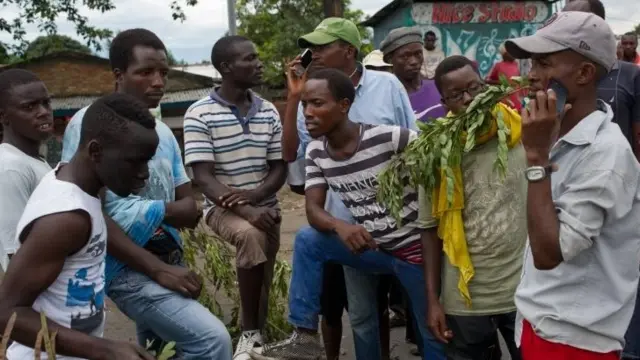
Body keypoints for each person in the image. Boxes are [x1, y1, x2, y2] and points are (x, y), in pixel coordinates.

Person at [61, 28, 232, 359]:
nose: (158, 82)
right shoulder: (89, 124)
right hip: (126, 267)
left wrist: (158, 214)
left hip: (169, 257)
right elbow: (88, 210)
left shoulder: (164, 133)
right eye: (146, 72)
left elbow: (189, 204)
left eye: (164, 73)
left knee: (159, 350)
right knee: (212, 341)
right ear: (119, 75)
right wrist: (158, 263)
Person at [254, 68, 443, 360]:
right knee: (307, 239)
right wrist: (341, 226)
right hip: (374, 249)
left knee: (431, 335)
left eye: (317, 103)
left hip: (416, 256)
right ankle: (304, 334)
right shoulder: (317, 151)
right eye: (305, 104)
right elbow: (314, 209)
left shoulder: (389, 138)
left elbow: (438, 161)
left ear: (344, 105)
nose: (308, 112)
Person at [279, 17, 419, 360]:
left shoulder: (387, 87)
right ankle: (305, 336)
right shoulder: (311, 96)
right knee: (362, 316)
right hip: (350, 228)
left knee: (422, 316)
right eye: (312, 48)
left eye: (323, 46)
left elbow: (419, 151)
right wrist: (295, 98)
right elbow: (291, 154)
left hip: (408, 231)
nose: (315, 54)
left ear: (349, 50)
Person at [505, 10, 640, 359]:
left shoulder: (606, 155)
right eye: (532, 64)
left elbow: (550, 254)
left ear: (584, 73)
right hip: (543, 325)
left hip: (573, 341)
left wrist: (536, 159)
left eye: (544, 64)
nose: (532, 77)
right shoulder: (558, 136)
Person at [0, 93, 158, 360]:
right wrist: (106, 350)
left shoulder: (79, 184)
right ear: (95, 151)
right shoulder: (65, 219)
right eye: (134, 161)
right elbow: (7, 313)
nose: (144, 172)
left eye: (147, 160)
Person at [184, 35, 287, 360]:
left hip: (266, 207)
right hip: (222, 210)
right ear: (226, 67)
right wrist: (247, 210)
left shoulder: (268, 110)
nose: (259, 64)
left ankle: (258, 338)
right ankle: (249, 335)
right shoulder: (199, 113)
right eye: (250, 58)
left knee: (264, 278)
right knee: (251, 236)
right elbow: (203, 177)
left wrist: (256, 198)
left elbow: (279, 168)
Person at [420, 55, 527, 360]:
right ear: (445, 102)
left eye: (474, 88)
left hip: (522, 290)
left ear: (487, 86)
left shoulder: (520, 132)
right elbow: (428, 229)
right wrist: (433, 300)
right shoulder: (436, 152)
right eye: (457, 95)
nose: (469, 99)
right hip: (465, 298)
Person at [0, 69, 53, 272]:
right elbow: (18, 255)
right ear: (3, 116)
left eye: (46, 103)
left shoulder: (33, 161)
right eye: (29, 107)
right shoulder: (10, 167)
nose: (43, 112)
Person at [381, 26, 446, 122]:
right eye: (405, 56)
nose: (414, 61)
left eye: (418, 54)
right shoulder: (385, 99)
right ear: (390, 59)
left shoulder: (438, 88)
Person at [485, 44, 523, 112]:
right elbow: (488, 80)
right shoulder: (498, 66)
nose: (513, 55)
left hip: (516, 103)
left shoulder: (516, 64)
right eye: (510, 52)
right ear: (504, 54)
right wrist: (500, 82)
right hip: (504, 103)